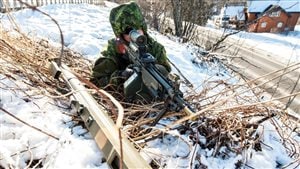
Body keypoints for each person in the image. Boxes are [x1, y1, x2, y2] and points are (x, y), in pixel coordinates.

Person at [90, 2, 171, 102]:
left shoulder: (156, 49)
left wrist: (155, 69)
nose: (135, 34)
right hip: (122, 101)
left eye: (137, 28)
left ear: (143, 27)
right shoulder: (114, 48)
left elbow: (166, 74)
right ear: (120, 35)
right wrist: (120, 77)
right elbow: (95, 81)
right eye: (128, 32)